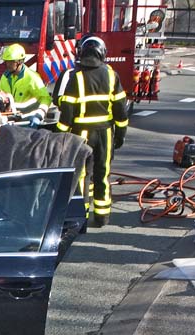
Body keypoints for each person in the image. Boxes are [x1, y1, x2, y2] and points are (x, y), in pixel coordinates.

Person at [56, 35, 128, 227]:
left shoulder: (77, 77)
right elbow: (121, 108)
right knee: (102, 173)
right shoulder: (111, 75)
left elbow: (67, 111)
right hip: (105, 132)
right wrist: (120, 134)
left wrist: (60, 134)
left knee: (81, 174)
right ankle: (102, 216)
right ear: (102, 53)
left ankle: (81, 215)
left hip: (81, 134)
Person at [0, 43, 51, 127]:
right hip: (9, 121)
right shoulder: (5, 77)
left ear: (20, 61)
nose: (7, 64)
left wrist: (39, 115)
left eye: (11, 62)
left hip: (27, 122)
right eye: (6, 61)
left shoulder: (31, 77)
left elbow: (45, 98)